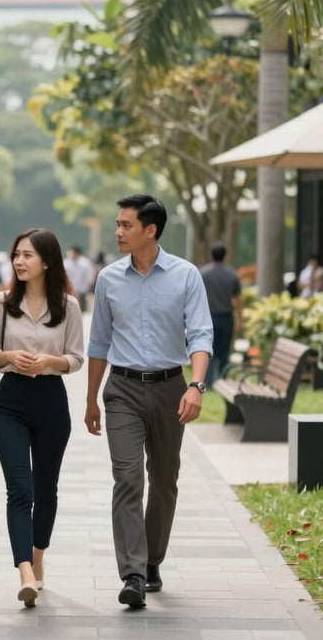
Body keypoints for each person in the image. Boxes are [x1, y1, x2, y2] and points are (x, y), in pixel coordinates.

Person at [84, 194, 212, 609]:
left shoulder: (186, 275)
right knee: (127, 478)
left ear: (150, 230)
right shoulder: (108, 278)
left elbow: (201, 334)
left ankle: (153, 558)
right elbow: (99, 341)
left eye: (125, 225)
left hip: (169, 387)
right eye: (117, 224)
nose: (118, 232)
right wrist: (91, 400)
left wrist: (195, 386)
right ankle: (133, 574)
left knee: (164, 479)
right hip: (121, 389)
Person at [0, 228, 84, 607]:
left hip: (52, 402)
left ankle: (39, 556)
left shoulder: (69, 307)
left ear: (47, 261)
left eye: (27, 255)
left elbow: (76, 359)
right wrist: (8, 357)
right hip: (10, 402)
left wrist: (49, 362)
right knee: (20, 489)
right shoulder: (1, 303)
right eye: (16, 255)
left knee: (46, 490)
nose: (19, 262)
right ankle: (25, 570)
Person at [200, 242, 243, 386]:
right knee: (224, 352)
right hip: (226, 318)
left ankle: (208, 381)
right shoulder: (232, 274)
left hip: (208, 318)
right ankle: (223, 381)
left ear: (211, 255)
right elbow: (238, 299)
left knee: (208, 350)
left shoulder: (203, 274)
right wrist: (240, 319)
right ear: (225, 255)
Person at [63, 245, 94, 311]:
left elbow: (89, 277)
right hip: (69, 290)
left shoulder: (85, 263)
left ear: (77, 253)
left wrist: (83, 289)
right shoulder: (66, 263)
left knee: (81, 310)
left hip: (82, 291)